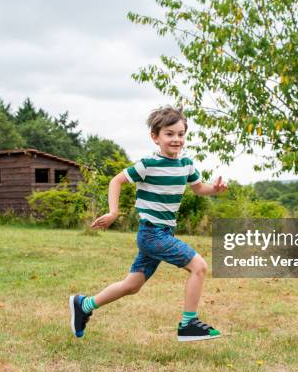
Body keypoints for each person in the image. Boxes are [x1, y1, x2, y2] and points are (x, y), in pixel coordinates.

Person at [69, 105, 228, 342]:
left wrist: (214, 189)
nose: (176, 139)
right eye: (169, 134)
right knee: (199, 267)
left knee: (132, 285)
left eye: (181, 134)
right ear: (155, 137)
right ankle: (188, 324)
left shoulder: (186, 164)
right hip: (152, 234)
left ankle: (84, 305)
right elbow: (116, 181)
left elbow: (198, 188)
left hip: (164, 233)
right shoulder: (148, 164)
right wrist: (113, 212)